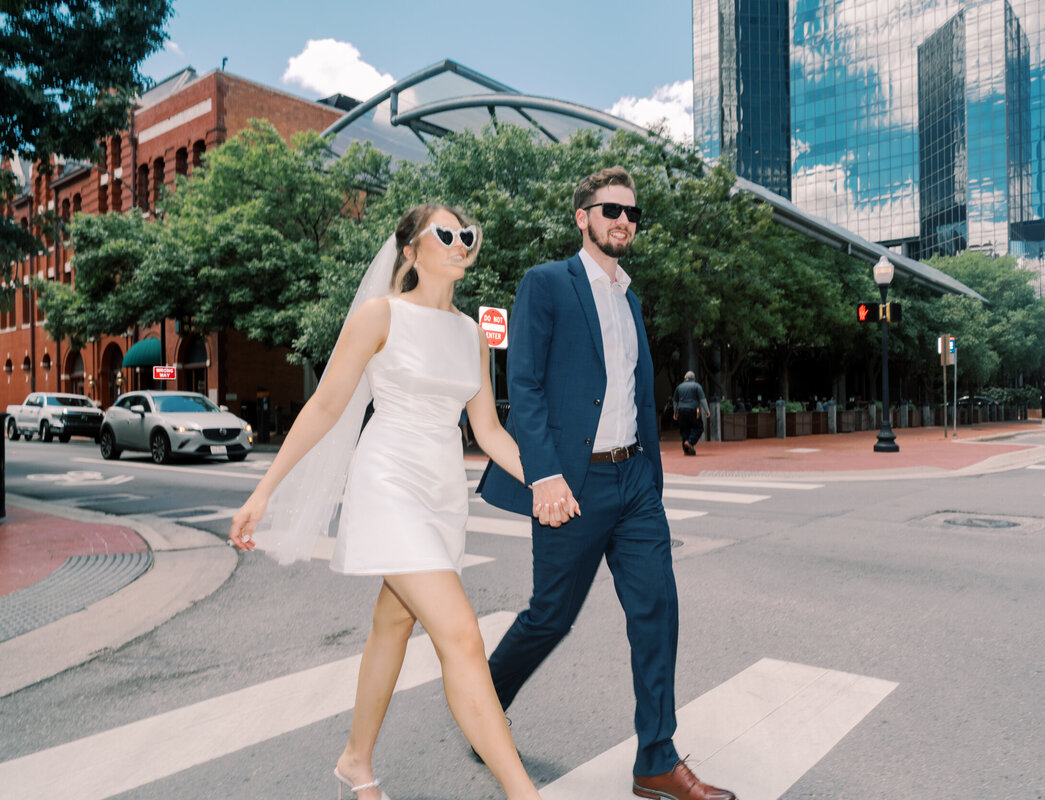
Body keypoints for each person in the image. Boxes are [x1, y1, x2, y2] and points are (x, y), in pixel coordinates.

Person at [229, 204, 572, 800]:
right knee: (462, 636)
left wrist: (545, 477)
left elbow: (488, 432)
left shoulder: (472, 334)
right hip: (388, 481)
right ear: (410, 251)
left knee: (393, 622)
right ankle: (524, 794)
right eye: (446, 233)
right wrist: (264, 490)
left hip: (443, 493)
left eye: (468, 234)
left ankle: (355, 762)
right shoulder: (378, 316)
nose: (461, 242)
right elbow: (327, 407)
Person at [477, 167, 737, 800]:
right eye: (611, 209)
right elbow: (527, 389)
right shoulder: (546, 284)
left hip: (634, 483)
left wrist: (650, 472)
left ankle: (655, 757)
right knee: (550, 617)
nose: (625, 220)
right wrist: (543, 475)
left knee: (657, 610)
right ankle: (481, 709)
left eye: (633, 214)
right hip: (573, 484)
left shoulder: (629, 297)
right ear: (582, 218)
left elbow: (631, 392)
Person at [672, 370, 710, 455]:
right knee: (699, 427)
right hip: (696, 410)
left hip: (681, 410)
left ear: (685, 378)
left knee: (684, 430)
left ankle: (686, 450)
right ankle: (690, 442)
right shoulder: (697, 386)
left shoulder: (679, 387)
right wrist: (707, 411)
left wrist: (675, 413)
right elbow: (702, 399)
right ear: (694, 379)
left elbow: (675, 401)